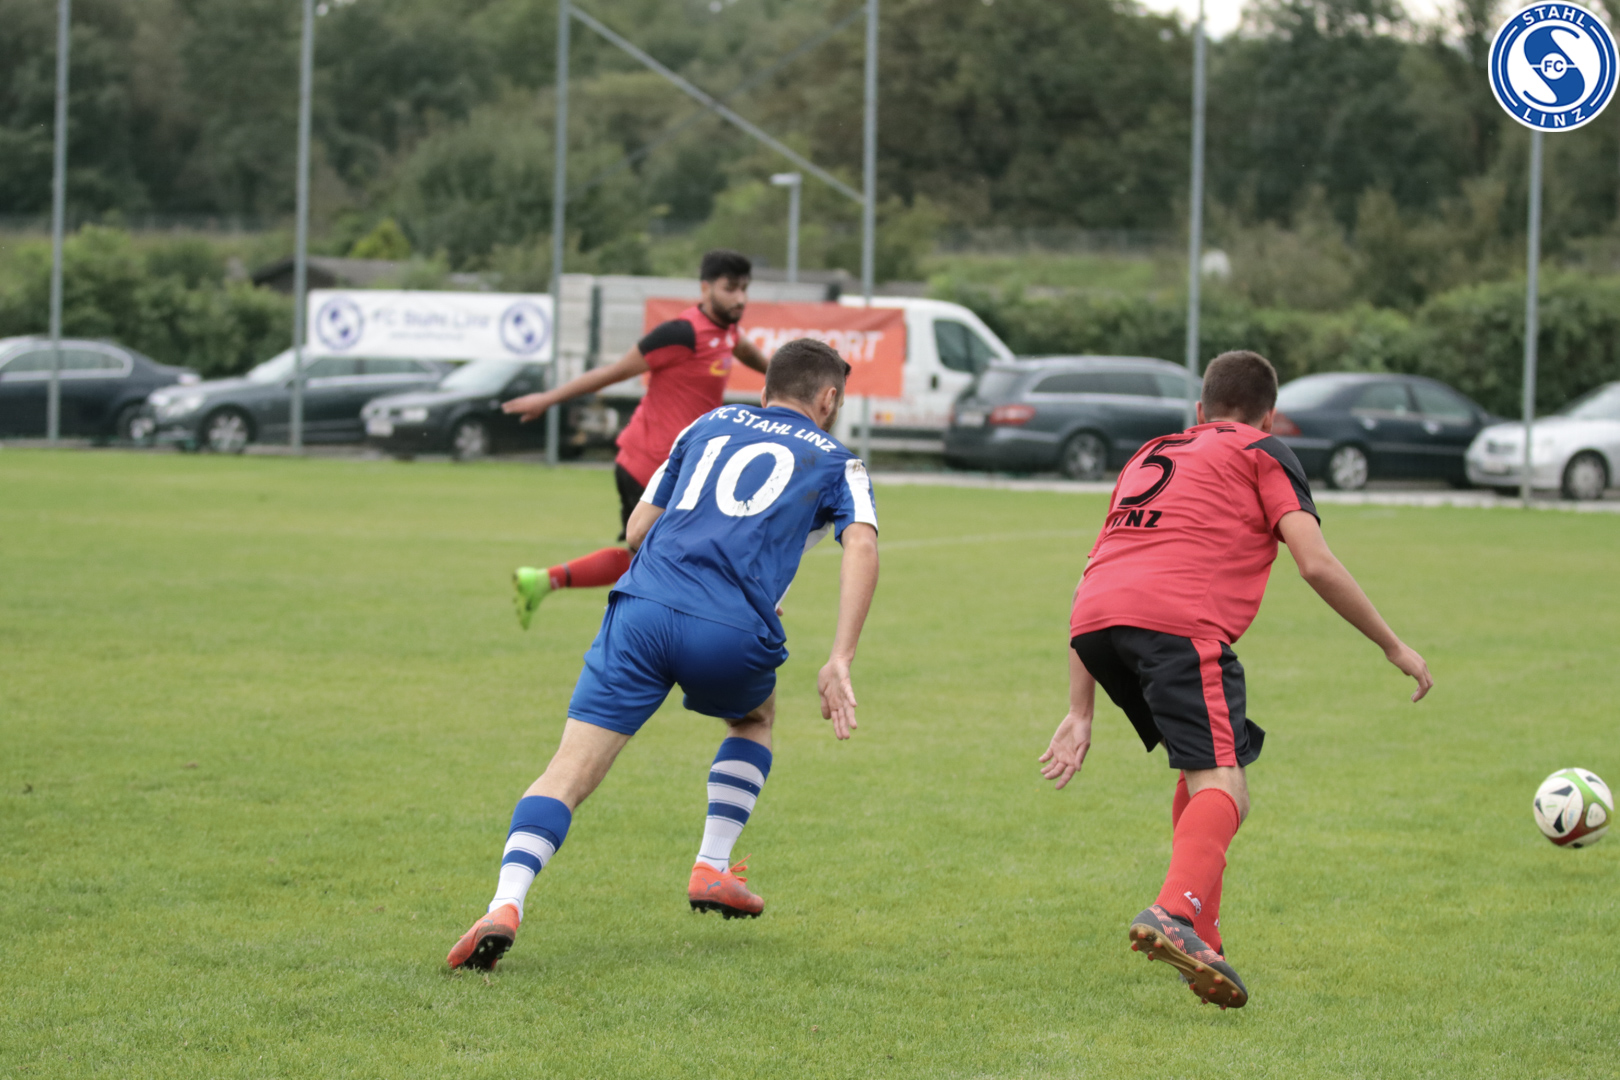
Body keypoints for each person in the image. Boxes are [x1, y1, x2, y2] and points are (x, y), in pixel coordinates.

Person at [448, 338, 880, 972]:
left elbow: (637, 530)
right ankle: (711, 864)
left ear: (765, 390)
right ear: (830, 398)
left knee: (568, 771)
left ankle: (504, 904)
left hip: (642, 610)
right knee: (753, 718)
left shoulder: (708, 424)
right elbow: (861, 546)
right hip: (730, 629)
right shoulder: (840, 461)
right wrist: (840, 656)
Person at [1037, 350, 1433, 1009]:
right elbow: (1314, 562)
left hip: (1096, 621)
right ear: (1269, 417)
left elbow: (1094, 569)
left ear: (1200, 411)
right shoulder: (1262, 450)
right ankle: (1175, 912)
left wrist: (1081, 710)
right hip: (1177, 623)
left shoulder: (1149, 452)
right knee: (1228, 790)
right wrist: (1393, 645)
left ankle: (1206, 942)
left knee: (1204, 770)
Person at [502, 249, 772, 629]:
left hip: (681, 469)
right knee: (672, 564)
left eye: (745, 289)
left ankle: (545, 581)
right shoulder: (680, 334)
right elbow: (612, 373)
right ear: (705, 288)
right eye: (731, 288)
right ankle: (636, 634)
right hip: (648, 465)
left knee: (652, 560)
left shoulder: (728, 333)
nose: (740, 298)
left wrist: (806, 381)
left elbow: (770, 366)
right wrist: (547, 399)